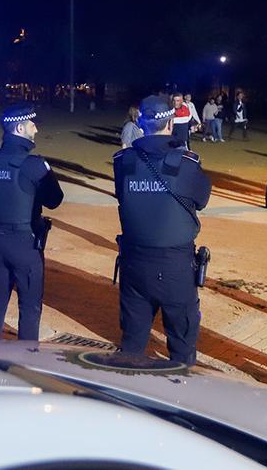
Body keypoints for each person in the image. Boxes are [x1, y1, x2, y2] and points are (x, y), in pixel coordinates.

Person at [112, 95, 211, 365]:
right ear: (170, 122)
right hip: (175, 267)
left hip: (135, 264)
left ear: (141, 123)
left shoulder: (123, 160)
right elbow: (202, 199)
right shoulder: (187, 162)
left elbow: (123, 194)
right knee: (181, 346)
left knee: (132, 343)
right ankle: (176, 400)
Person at [0, 104, 65, 340]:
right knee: (29, 308)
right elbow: (55, 200)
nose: (35, 129)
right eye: (31, 124)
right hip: (25, 244)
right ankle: (26, 363)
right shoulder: (33, 165)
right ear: (19, 127)